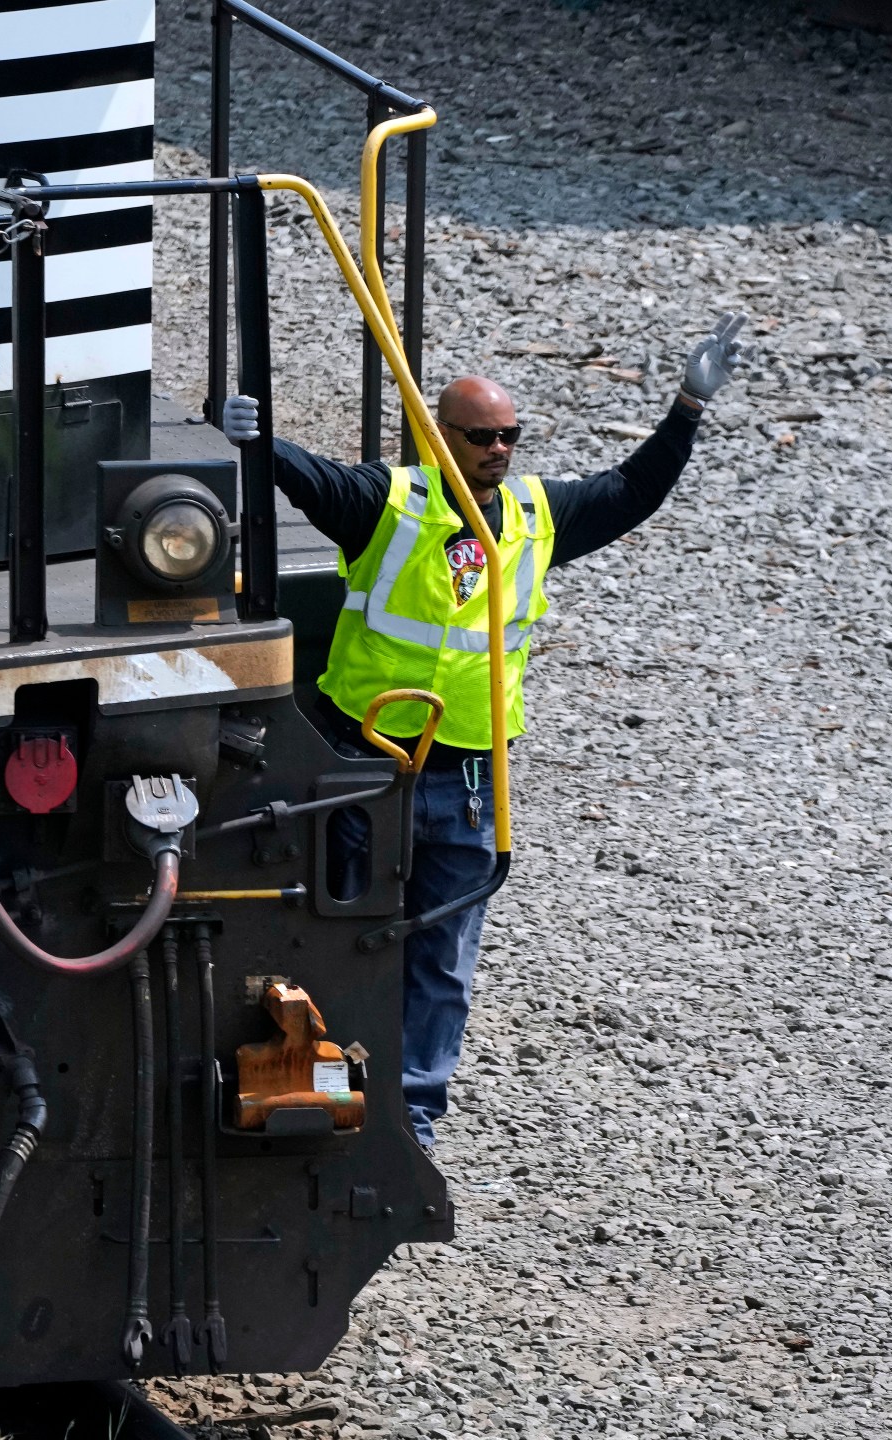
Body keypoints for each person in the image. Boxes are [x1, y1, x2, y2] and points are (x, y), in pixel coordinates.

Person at [220, 314, 749, 1149]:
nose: (501, 450)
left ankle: (413, 1120)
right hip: (368, 765)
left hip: (471, 780)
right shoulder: (387, 502)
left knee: (443, 961)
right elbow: (309, 479)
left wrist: (685, 408)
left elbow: (631, 491)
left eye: (510, 436)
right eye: (484, 436)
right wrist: (254, 443)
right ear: (440, 437)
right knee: (342, 937)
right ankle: (326, 1084)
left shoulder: (538, 515)